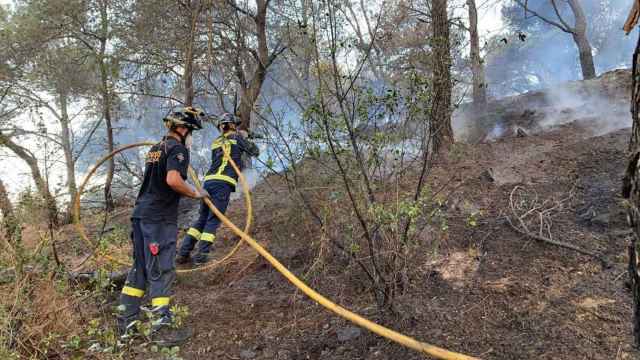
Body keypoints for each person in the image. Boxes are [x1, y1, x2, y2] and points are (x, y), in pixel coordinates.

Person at [118, 107, 209, 343]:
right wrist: (195, 194)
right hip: (158, 218)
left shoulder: (155, 149)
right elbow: (172, 180)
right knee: (160, 267)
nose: (191, 136)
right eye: (191, 131)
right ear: (181, 128)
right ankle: (162, 329)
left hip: (141, 215)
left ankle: (127, 325)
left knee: (140, 268)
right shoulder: (177, 148)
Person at [177, 113, 259, 265]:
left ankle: (183, 252)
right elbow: (255, 151)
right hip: (223, 183)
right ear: (233, 125)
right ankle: (202, 255)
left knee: (202, 218)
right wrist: (245, 136)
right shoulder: (237, 138)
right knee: (213, 219)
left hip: (208, 182)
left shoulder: (216, 141)